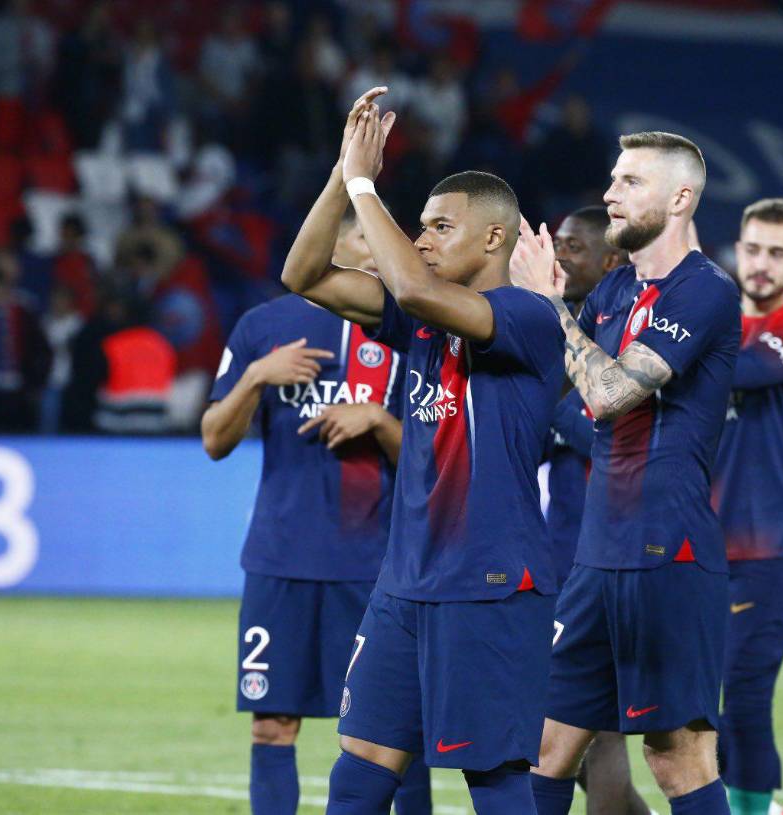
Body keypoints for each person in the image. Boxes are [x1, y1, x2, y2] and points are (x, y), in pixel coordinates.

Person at [281, 87, 565, 814]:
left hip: (491, 587)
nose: (424, 239)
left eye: (440, 226)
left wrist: (366, 184)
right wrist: (341, 175)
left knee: (495, 783)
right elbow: (304, 275)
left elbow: (407, 280)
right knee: (359, 776)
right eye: (421, 226)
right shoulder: (422, 327)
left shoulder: (527, 317)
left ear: (493, 240)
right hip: (404, 586)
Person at [513, 131, 741, 815]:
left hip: (667, 554)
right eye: (613, 178)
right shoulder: (612, 288)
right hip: (596, 556)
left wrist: (550, 307)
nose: (611, 191)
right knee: (546, 745)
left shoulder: (704, 291)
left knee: (676, 757)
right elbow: (560, 378)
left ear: (679, 198)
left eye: (630, 181)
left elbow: (609, 394)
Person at [201, 200, 428, 815]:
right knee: (272, 726)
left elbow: (436, 465)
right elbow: (214, 440)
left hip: (375, 567)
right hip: (281, 563)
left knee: (394, 736)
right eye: (374, 241)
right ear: (340, 247)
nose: (390, 252)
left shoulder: (412, 329)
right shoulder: (263, 327)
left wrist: (379, 420)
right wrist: (255, 377)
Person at [714, 199, 783, 815]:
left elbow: (744, 372)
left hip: (769, 543)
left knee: (746, 696)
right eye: (752, 249)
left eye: (776, 254)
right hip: (698, 542)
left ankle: (754, 809)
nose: (760, 265)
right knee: (699, 702)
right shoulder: (719, 324)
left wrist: (676, 341)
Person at [543, 205, 652, 815]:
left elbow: (610, 435)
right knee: (562, 724)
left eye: (573, 247)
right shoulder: (562, 333)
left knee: (596, 725)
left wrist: (556, 405)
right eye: (555, 244)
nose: (559, 256)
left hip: (612, 550)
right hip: (559, 553)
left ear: (612, 261)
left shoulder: (625, 341)